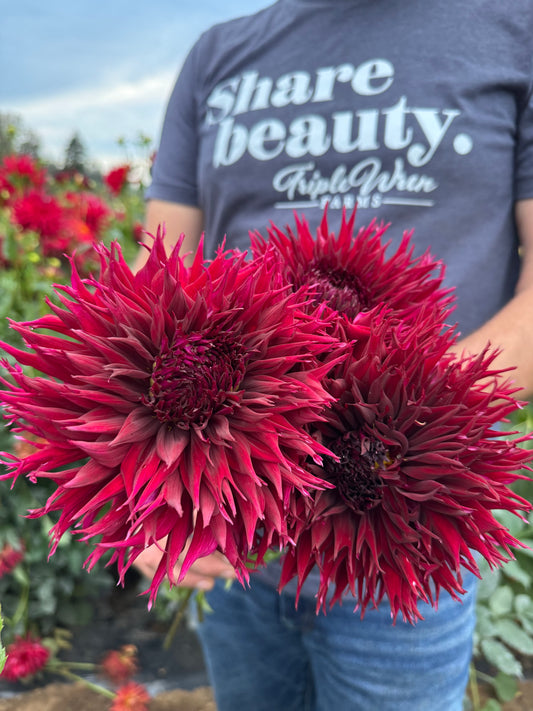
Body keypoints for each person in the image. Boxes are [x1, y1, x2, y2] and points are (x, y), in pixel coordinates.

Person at [133, 1, 533, 709]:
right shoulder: (217, 53)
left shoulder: (511, 26)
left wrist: (383, 425)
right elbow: (155, 275)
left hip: (404, 511)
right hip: (228, 524)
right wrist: (142, 487)